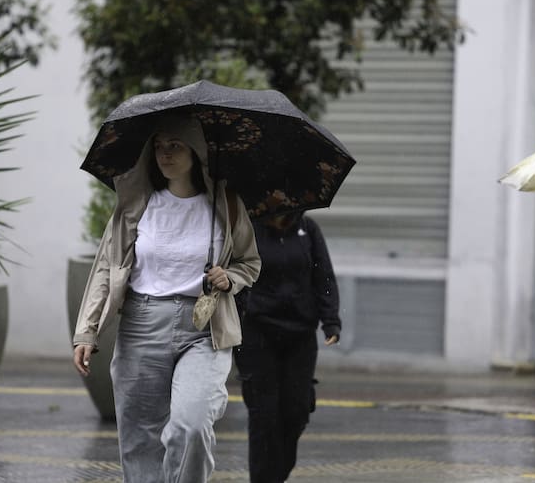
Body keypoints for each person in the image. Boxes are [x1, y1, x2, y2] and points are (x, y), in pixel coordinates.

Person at [72, 114, 260, 483]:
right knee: (140, 440)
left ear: (197, 152)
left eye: (174, 146)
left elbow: (249, 263)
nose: (165, 154)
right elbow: (106, 269)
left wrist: (230, 278)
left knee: (190, 424)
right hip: (142, 324)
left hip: (204, 328)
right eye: (158, 146)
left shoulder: (227, 206)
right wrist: (87, 331)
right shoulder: (136, 205)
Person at [233, 211, 341, 483]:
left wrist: (331, 321)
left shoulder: (308, 229)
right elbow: (236, 274)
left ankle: (276, 476)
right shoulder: (248, 230)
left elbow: (324, 276)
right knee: (263, 415)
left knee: (296, 411)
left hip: (300, 334)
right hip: (257, 333)